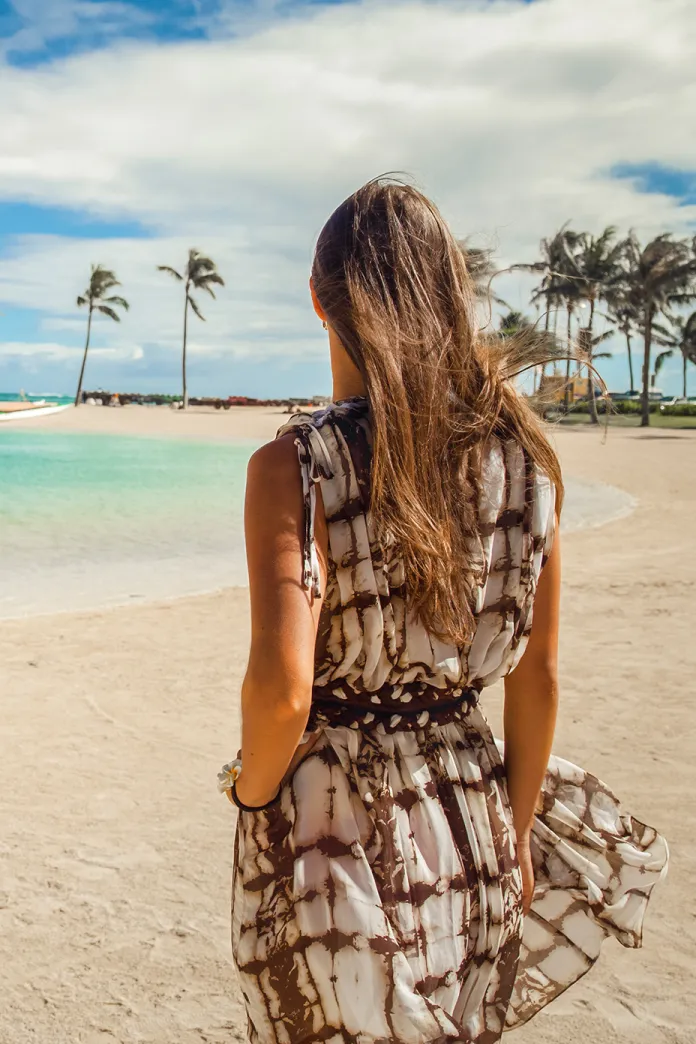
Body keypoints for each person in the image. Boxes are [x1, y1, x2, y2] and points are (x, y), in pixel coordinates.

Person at [219, 179, 667, 1044]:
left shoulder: (298, 467)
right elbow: (538, 677)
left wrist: (252, 798)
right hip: (473, 809)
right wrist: (519, 828)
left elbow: (282, 693)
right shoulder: (523, 459)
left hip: (332, 815)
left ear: (319, 300)